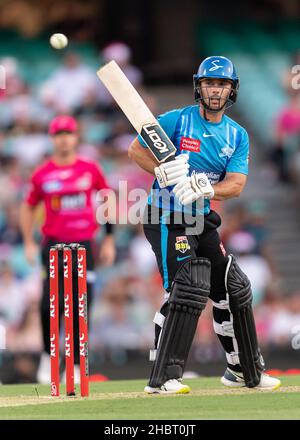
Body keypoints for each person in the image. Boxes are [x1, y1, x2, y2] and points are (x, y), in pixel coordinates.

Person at [128, 56, 281, 394]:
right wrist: (159, 170)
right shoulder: (176, 120)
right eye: (210, 84)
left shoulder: (237, 135)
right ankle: (163, 376)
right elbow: (136, 149)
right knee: (187, 288)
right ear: (199, 87)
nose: (216, 90)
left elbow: (237, 184)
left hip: (202, 217)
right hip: (166, 217)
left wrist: (208, 188)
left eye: (222, 85)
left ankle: (242, 370)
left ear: (232, 91)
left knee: (233, 287)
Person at [20, 115, 116, 383]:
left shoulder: (89, 168)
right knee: (49, 304)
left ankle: (75, 364)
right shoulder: (42, 173)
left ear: (75, 137)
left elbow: (107, 198)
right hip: (53, 246)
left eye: (68, 134)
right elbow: (28, 206)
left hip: (85, 244)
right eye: (58, 134)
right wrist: (28, 240)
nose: (64, 139)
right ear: (53, 139)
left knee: (81, 304)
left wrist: (108, 239)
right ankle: (47, 356)